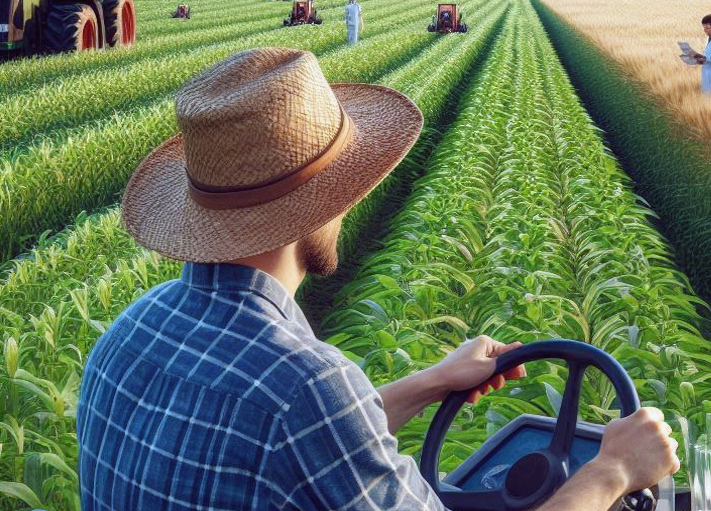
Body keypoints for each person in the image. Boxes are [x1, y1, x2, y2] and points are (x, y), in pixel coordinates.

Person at [76, 48, 680, 511]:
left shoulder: (127, 333)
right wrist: (614, 473)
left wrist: (431, 382)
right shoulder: (306, 388)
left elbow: (306, 449)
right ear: (316, 207)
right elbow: (307, 421)